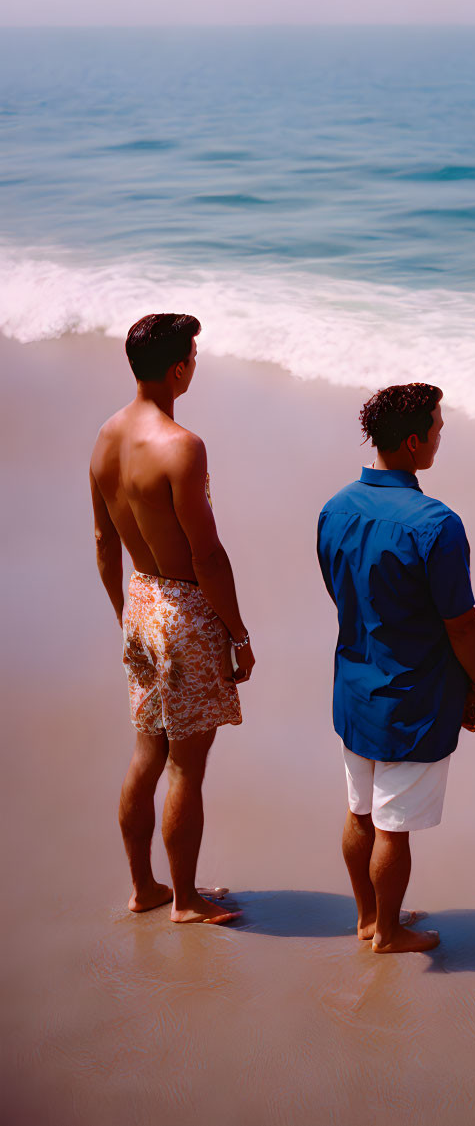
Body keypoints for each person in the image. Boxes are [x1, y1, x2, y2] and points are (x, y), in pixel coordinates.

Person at [89, 313, 255, 926]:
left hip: (140, 600)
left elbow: (104, 539)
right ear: (178, 367)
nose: (195, 365)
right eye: (193, 355)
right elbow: (207, 554)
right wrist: (238, 634)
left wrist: (124, 613)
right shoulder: (182, 446)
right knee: (187, 764)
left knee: (145, 753)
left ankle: (145, 887)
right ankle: (185, 900)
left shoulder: (106, 437)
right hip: (185, 609)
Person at [317, 384, 475, 954]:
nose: (442, 434)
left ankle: (368, 916)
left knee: (359, 810)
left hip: (355, 683)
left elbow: (339, 593)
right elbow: (461, 623)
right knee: (394, 824)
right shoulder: (436, 524)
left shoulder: (335, 507)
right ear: (413, 442)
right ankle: (388, 934)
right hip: (412, 693)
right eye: (438, 427)